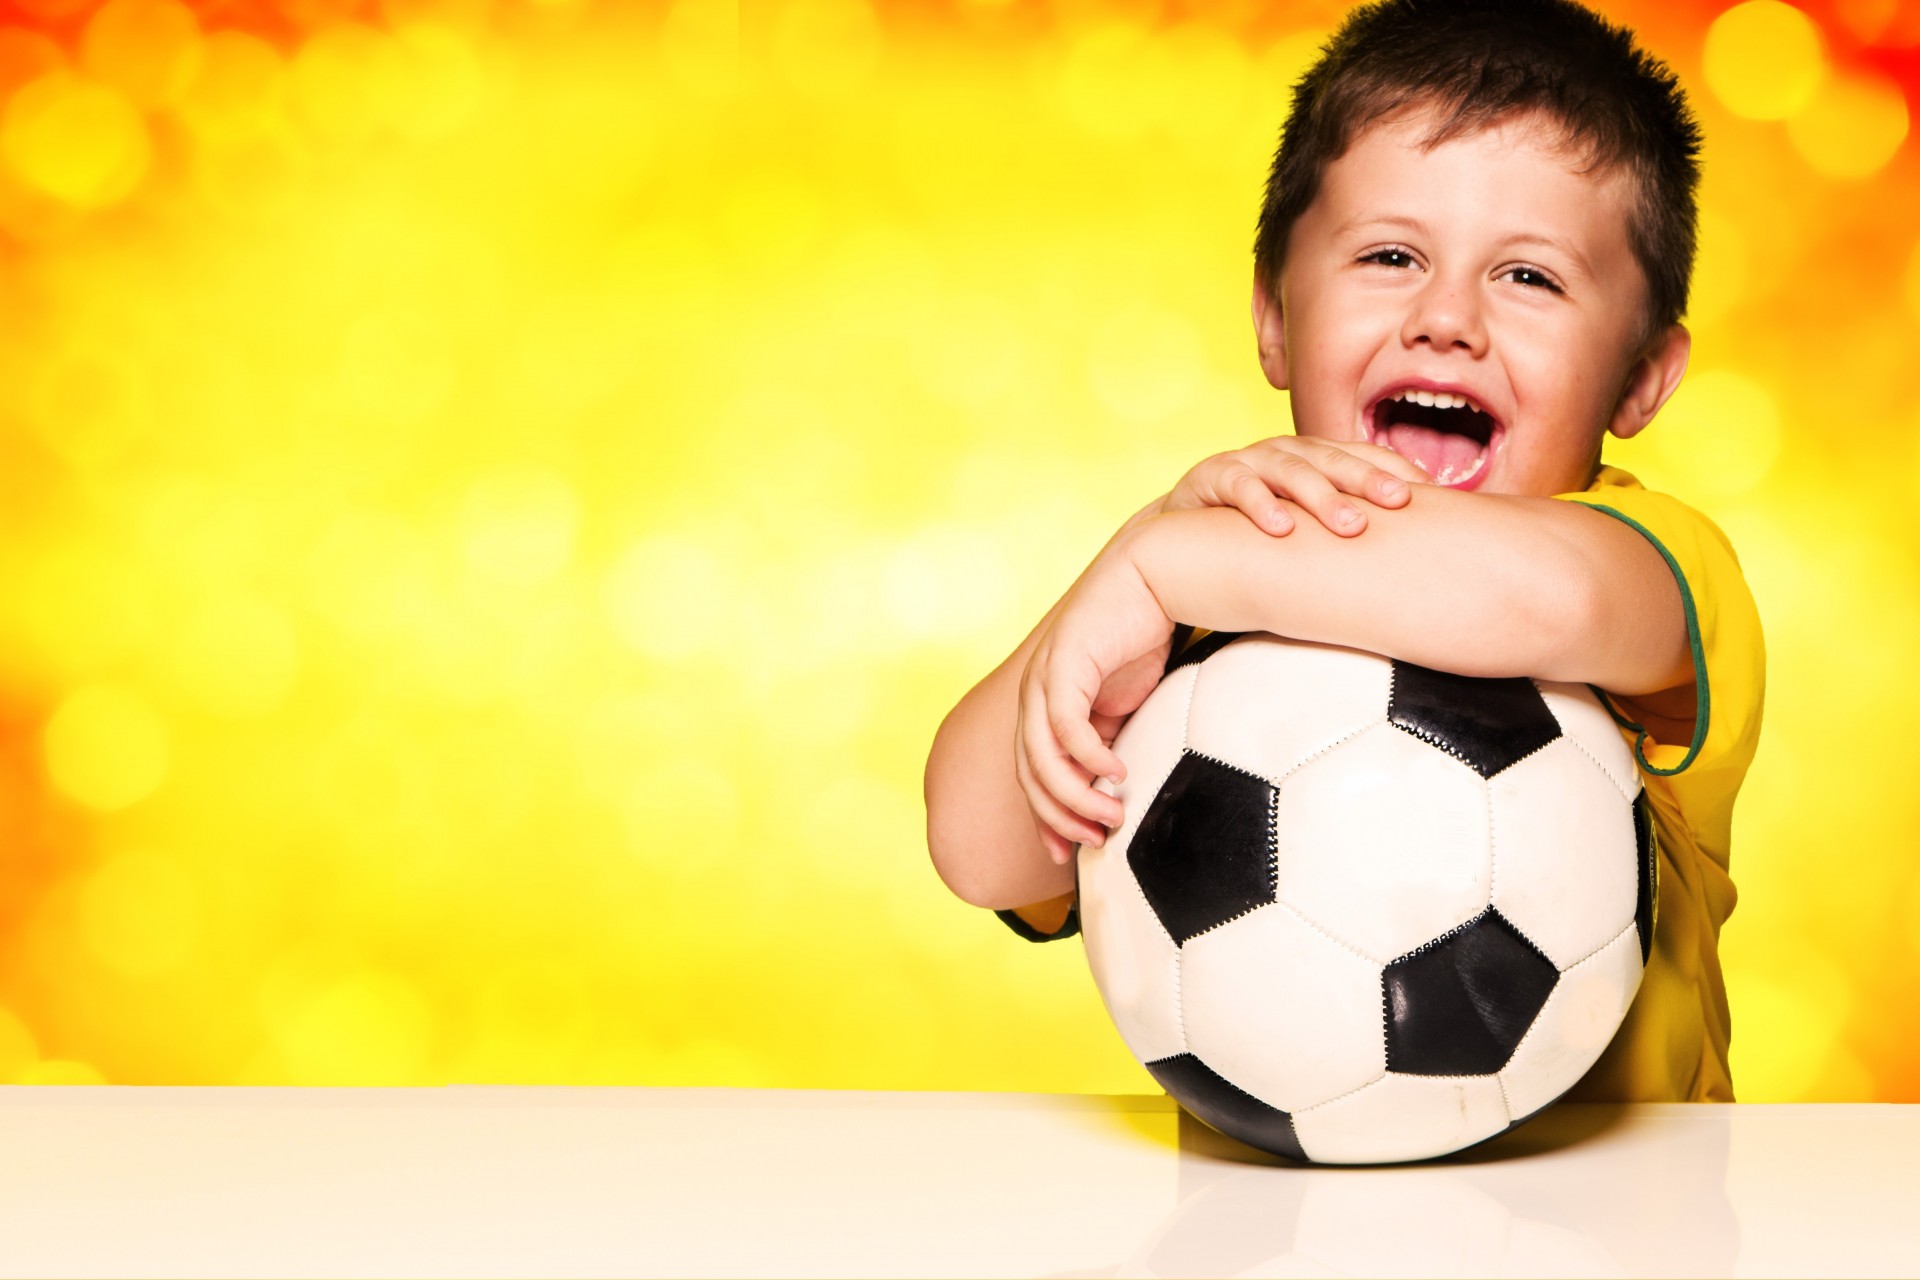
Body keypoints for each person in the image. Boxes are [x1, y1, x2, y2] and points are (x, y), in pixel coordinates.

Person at [922, 0, 1764, 1102]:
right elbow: (979, 847)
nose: (1446, 317)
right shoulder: (1215, 600)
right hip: (1271, 1233)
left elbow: (1534, 597)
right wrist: (1139, 550)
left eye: (1530, 277)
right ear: (1275, 314)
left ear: (1644, 375)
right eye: (1390, 254)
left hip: (1618, 1247)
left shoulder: (1658, 564)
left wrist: (1168, 567)